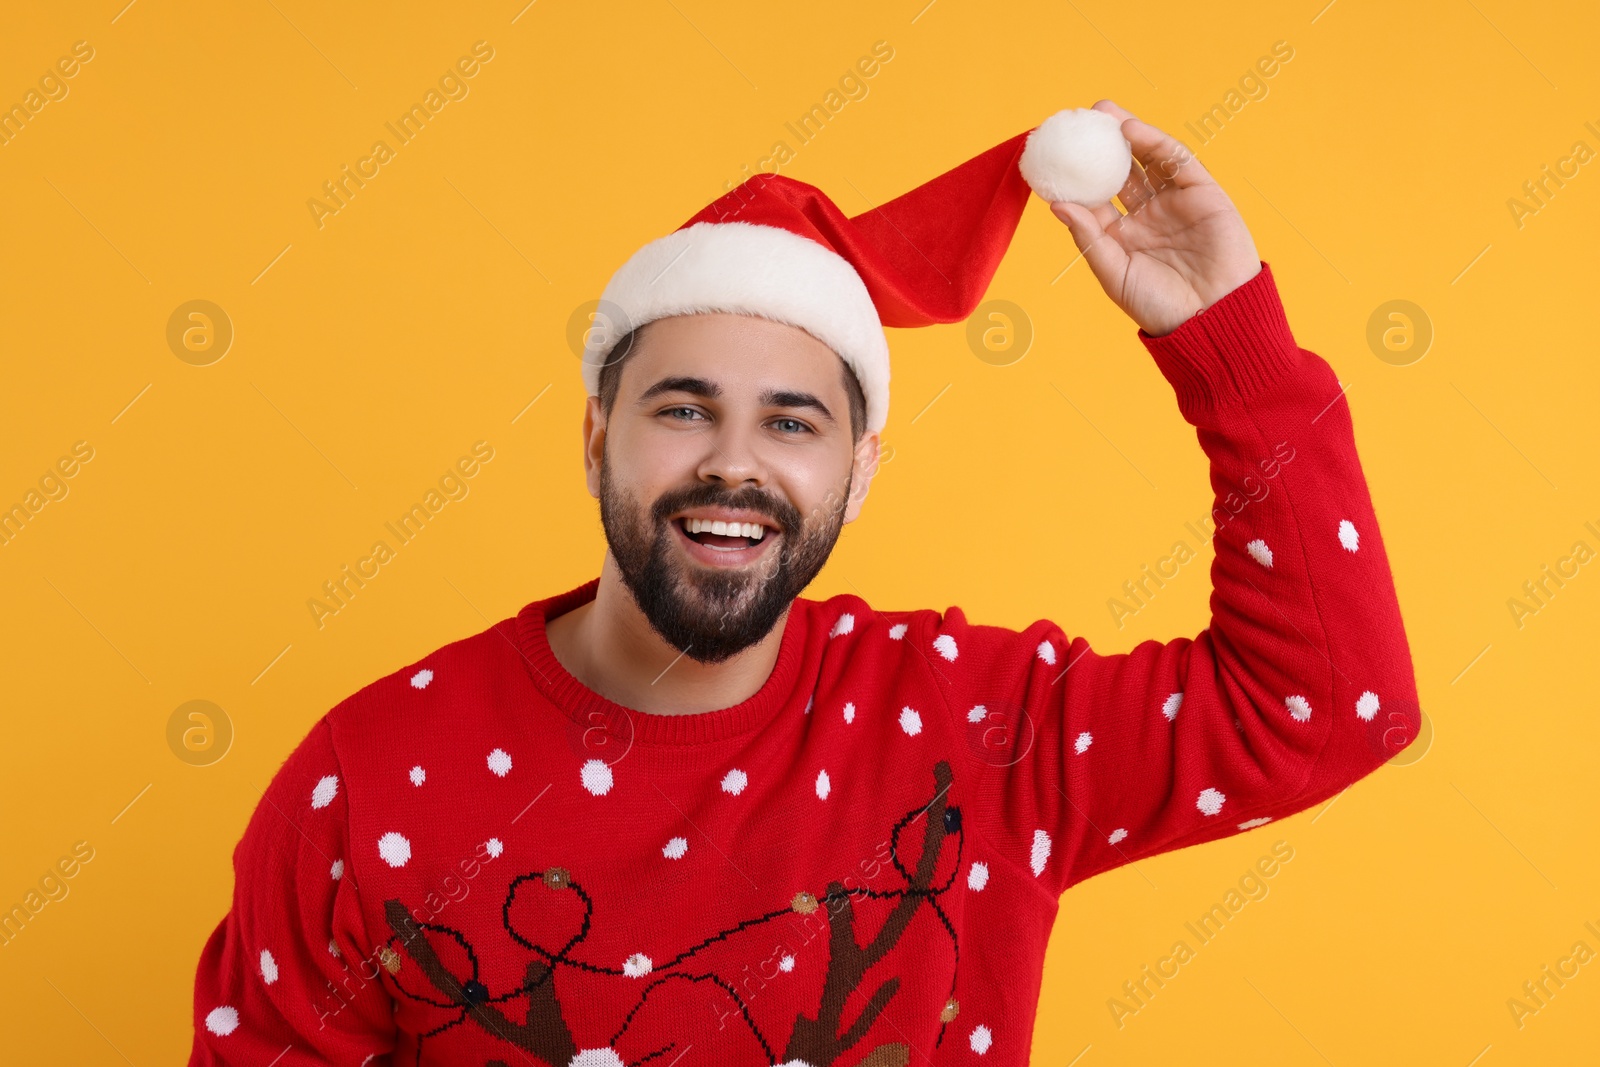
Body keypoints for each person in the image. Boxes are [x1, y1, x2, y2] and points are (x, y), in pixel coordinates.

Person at [188, 99, 1420, 1067]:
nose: (733, 462)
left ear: (859, 468)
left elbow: (1329, 704)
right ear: (594, 434)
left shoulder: (976, 727)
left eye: (791, 421)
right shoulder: (369, 777)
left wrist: (1224, 336)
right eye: (683, 408)